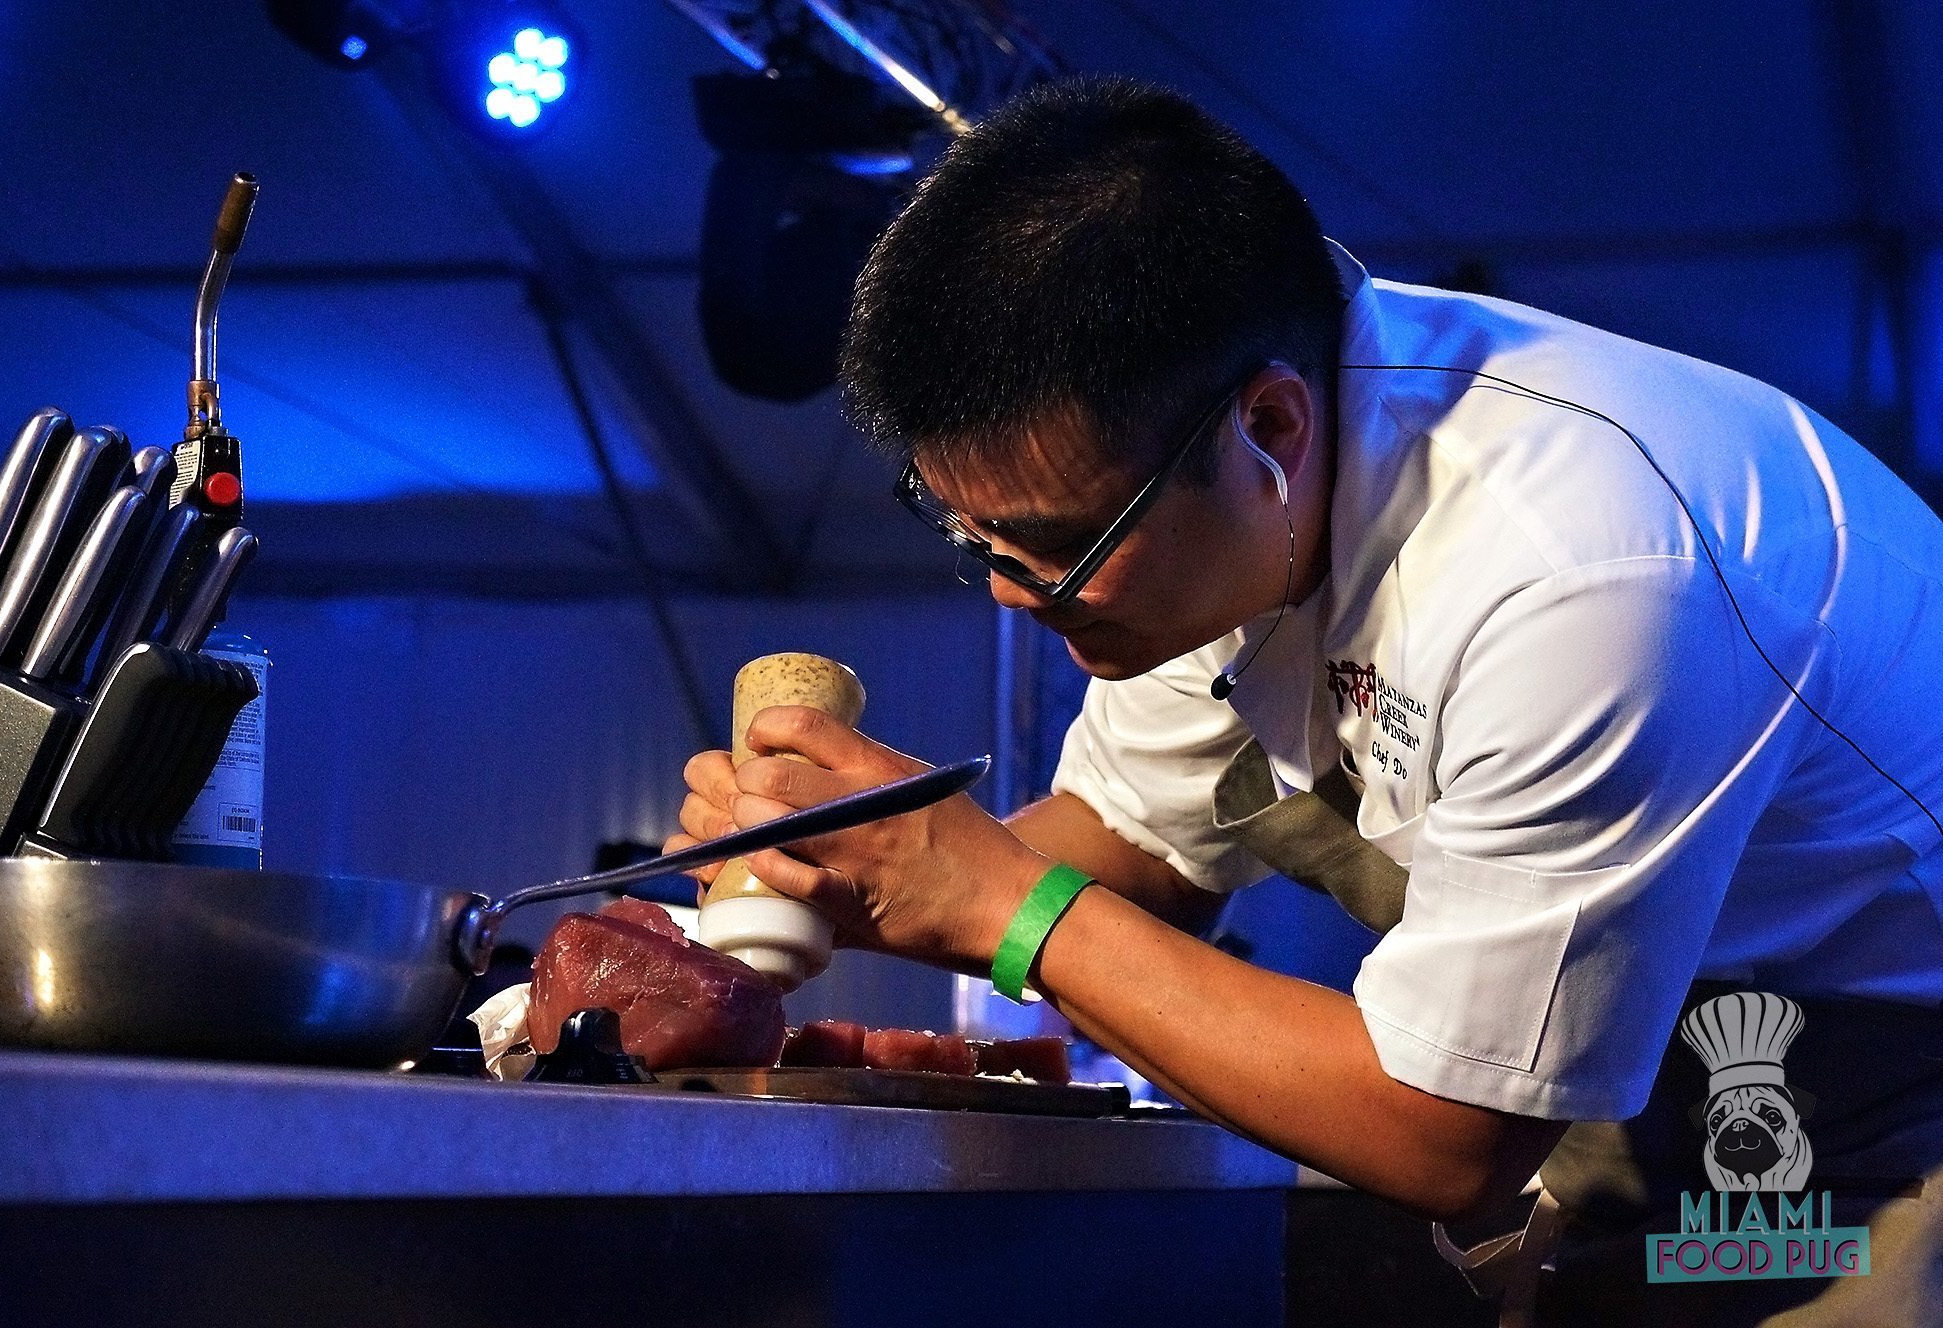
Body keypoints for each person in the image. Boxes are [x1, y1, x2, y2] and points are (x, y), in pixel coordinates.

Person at [666, 77, 1943, 1322]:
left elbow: (1445, 1134)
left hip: (1867, 1092)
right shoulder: (1215, 484)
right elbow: (1138, 847)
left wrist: (995, 896)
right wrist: (860, 867)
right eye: (968, 533)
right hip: (1613, 1081)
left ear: (1268, 425)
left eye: (1050, 543)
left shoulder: (1585, 572)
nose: (1009, 591)